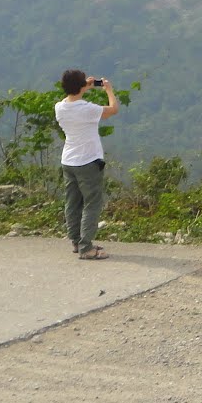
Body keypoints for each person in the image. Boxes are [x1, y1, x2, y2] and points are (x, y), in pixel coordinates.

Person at [56, 69, 119, 260]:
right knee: (92, 203)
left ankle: (76, 241)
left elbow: (71, 99)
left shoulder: (59, 107)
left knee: (73, 203)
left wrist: (84, 87)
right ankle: (86, 248)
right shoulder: (87, 109)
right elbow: (113, 109)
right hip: (88, 161)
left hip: (68, 161)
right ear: (81, 85)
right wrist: (108, 89)